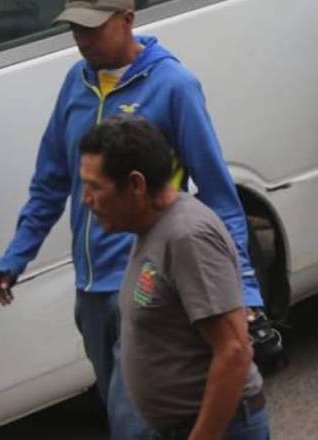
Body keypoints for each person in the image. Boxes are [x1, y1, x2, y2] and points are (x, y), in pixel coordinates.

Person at [0, 0, 267, 439]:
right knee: (136, 403)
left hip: (148, 283)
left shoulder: (173, 85)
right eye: (75, 29)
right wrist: (18, 253)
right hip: (92, 289)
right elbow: (50, 180)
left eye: (93, 28)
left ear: (128, 19)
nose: (82, 40)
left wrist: (247, 293)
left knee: (133, 422)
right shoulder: (74, 86)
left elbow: (219, 194)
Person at [79, 116, 268, 440]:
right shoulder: (149, 226)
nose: (86, 199)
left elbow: (234, 351)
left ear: (136, 184)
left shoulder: (187, 237)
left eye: (95, 187)